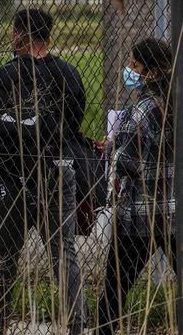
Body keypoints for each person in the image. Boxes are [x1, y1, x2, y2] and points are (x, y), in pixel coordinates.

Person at [0, 8, 88, 335]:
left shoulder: (7, 75)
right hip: (57, 172)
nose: (10, 36)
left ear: (21, 34)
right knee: (64, 254)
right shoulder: (70, 74)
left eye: (13, 30)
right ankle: (75, 324)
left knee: (4, 255)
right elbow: (72, 124)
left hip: (13, 177)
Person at [97, 38, 174, 335]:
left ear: (151, 72)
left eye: (134, 65)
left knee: (115, 288)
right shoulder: (174, 101)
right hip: (173, 211)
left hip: (139, 215)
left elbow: (128, 163)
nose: (129, 69)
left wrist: (112, 150)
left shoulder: (142, 111)